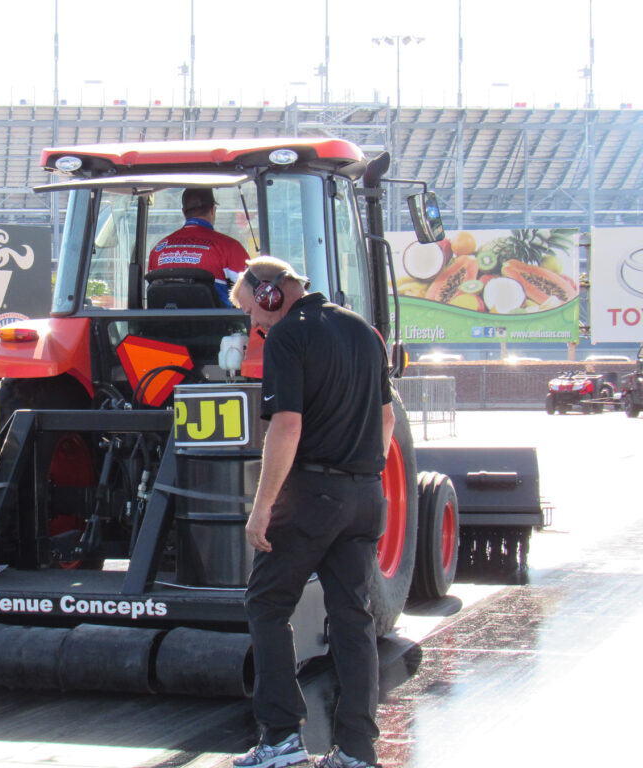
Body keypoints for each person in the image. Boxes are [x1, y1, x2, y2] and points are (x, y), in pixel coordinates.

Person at [229, 255, 395, 768]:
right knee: (353, 618)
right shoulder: (363, 331)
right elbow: (387, 420)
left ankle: (280, 739)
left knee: (266, 604)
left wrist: (263, 508)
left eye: (250, 312)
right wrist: (359, 477)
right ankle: (356, 751)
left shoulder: (288, 337)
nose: (253, 325)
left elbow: (286, 428)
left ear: (270, 293)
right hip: (367, 495)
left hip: (313, 495)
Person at [147, 187, 249, 307]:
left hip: (162, 325)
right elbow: (253, 290)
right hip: (217, 325)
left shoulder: (158, 250)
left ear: (184, 212)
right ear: (212, 210)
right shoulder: (230, 247)